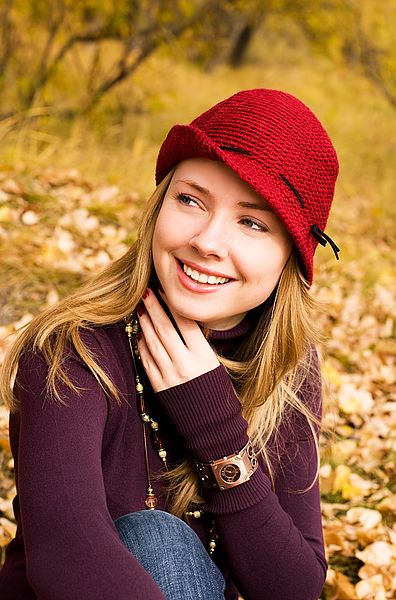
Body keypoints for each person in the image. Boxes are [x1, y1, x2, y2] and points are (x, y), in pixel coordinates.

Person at [0, 88, 340, 600]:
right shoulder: (71, 350)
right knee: (156, 540)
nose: (207, 241)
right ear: (159, 206)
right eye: (190, 200)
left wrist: (218, 433)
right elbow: (66, 556)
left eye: (252, 222)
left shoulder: (290, 369)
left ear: (292, 256)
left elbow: (293, 587)